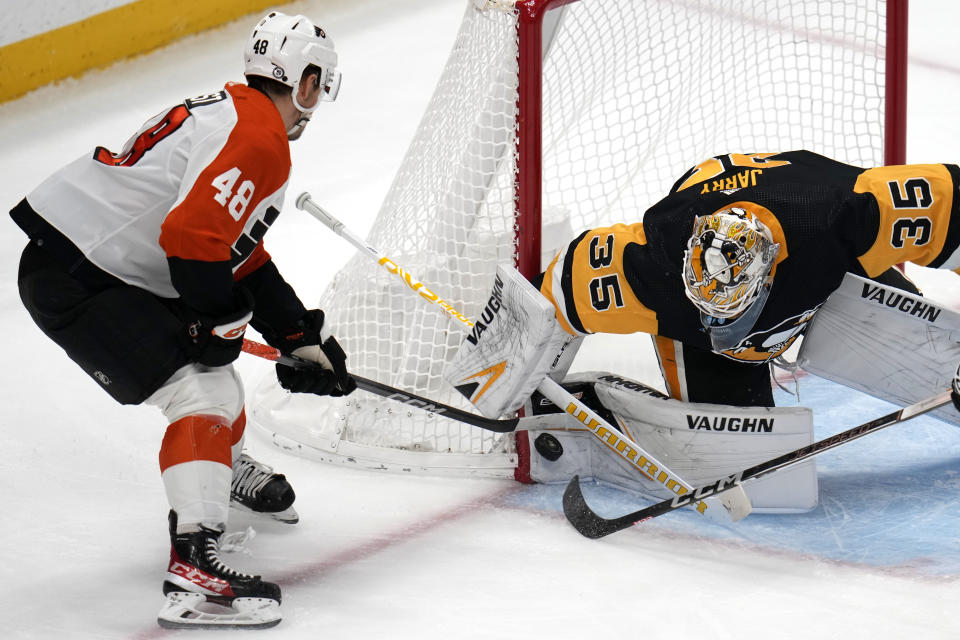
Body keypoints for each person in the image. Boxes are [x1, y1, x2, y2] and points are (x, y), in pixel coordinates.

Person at [10, 11, 355, 628]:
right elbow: (192, 240)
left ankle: (222, 470)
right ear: (303, 83)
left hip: (95, 261)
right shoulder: (260, 140)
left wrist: (298, 335)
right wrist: (220, 320)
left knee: (211, 373)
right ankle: (194, 575)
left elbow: (233, 250)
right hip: (83, 276)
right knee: (202, 389)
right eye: (316, 89)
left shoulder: (236, 112)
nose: (313, 106)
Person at [535, 150, 960, 409]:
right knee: (737, 457)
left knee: (918, 332)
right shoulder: (648, 266)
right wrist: (519, 396)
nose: (721, 331)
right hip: (714, 206)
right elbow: (546, 301)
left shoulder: (854, 214)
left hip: (811, 225)